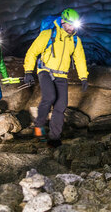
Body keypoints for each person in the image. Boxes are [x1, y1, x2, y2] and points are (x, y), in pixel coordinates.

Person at [24, 8, 89, 147]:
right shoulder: (48, 34)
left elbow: (80, 59)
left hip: (62, 74)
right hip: (45, 71)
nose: (72, 28)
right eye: (70, 25)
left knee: (61, 105)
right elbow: (32, 52)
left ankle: (54, 138)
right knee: (49, 97)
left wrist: (83, 77)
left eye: (74, 26)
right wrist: (28, 71)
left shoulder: (75, 40)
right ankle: (38, 126)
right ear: (63, 22)